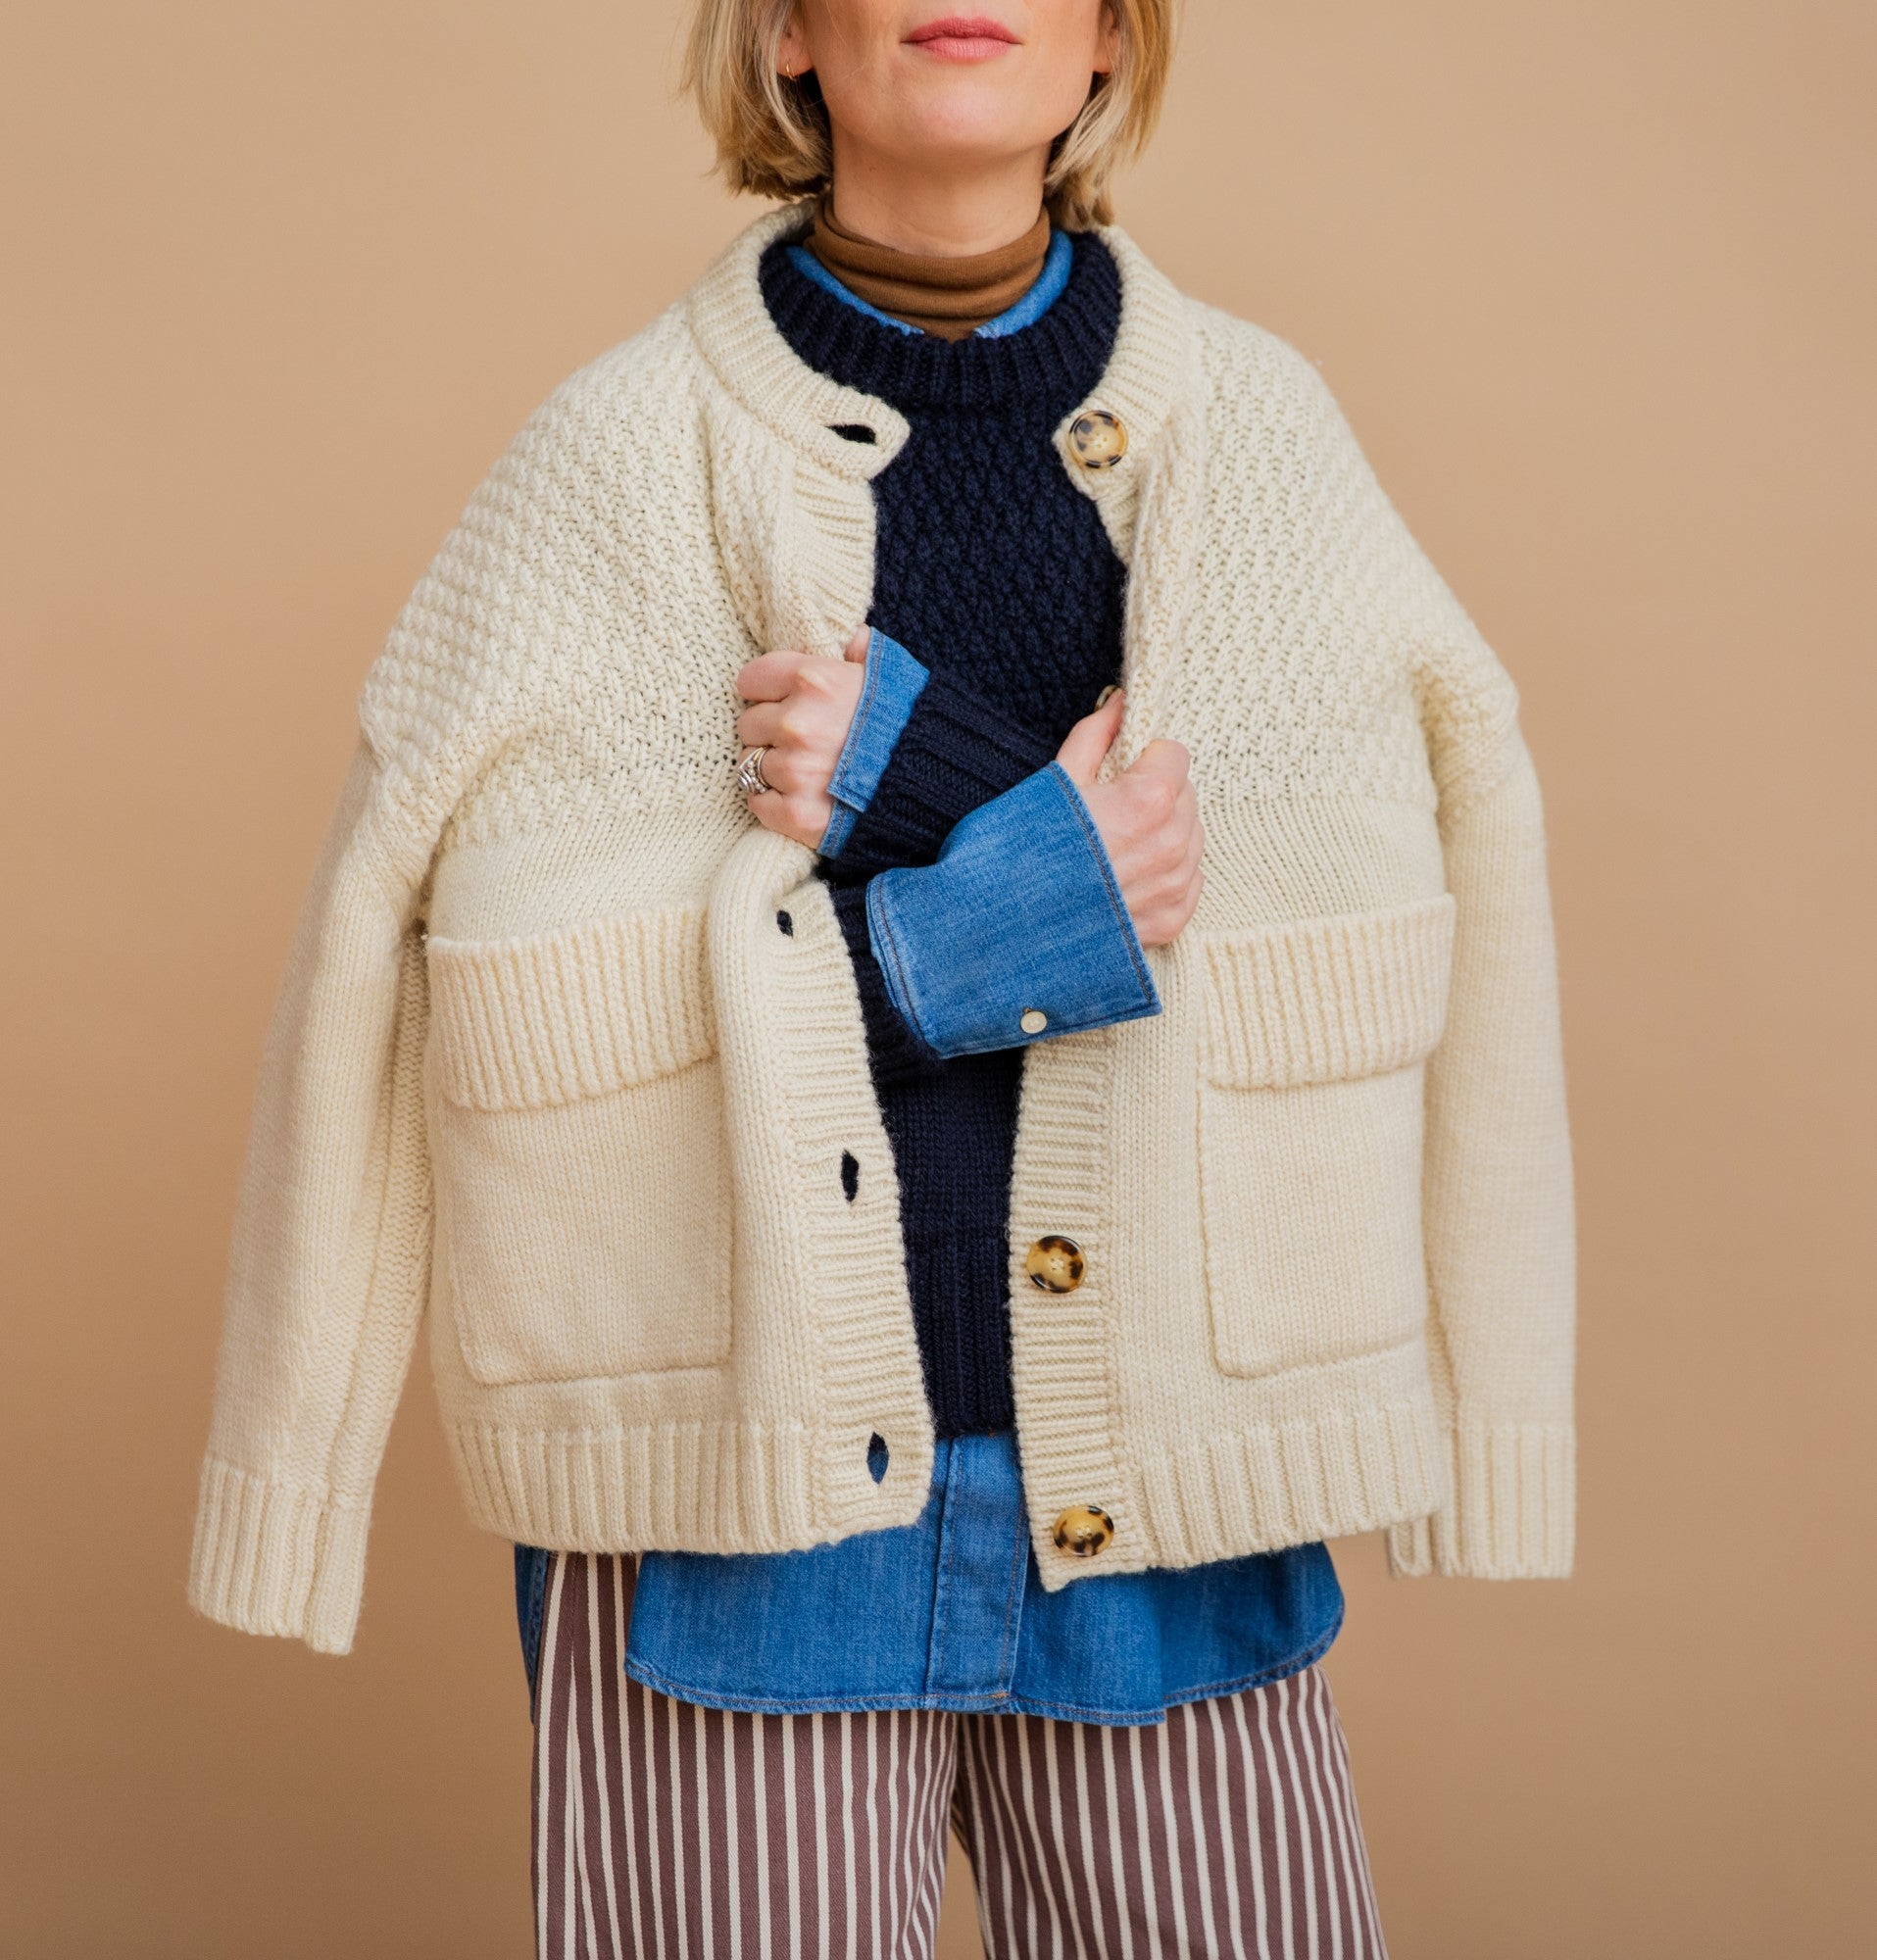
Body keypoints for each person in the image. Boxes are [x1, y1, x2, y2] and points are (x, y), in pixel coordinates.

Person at [186, 4, 1577, 1954]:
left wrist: (907, 762)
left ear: (1108, 43)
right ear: (782, 39)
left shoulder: (1262, 442)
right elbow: (445, 993)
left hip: (1173, 1487)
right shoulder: (610, 463)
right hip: (738, 1503)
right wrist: (966, 931)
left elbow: (1314, 897)